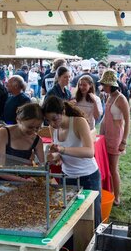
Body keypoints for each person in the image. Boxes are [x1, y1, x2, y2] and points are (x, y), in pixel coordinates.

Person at [43, 96, 102, 226]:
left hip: (88, 177)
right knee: (69, 219)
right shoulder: (53, 128)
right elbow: (59, 152)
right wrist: (54, 157)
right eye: (48, 120)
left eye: (54, 119)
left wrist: (62, 149)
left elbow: (89, 152)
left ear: (63, 111)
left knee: (92, 219)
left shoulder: (78, 122)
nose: (52, 124)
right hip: (67, 177)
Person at [99, 69, 130, 206]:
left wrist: (124, 141)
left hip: (116, 137)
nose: (102, 87)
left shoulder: (121, 98)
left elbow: (128, 121)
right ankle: (110, 192)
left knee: (113, 168)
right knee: (108, 167)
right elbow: (105, 118)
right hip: (106, 136)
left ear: (111, 84)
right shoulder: (109, 97)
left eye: (104, 84)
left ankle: (117, 197)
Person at [0, 103, 45, 181]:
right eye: (30, 127)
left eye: (37, 128)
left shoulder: (37, 141)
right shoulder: (3, 133)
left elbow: (43, 168)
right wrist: (23, 180)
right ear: (18, 120)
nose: (34, 131)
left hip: (20, 183)